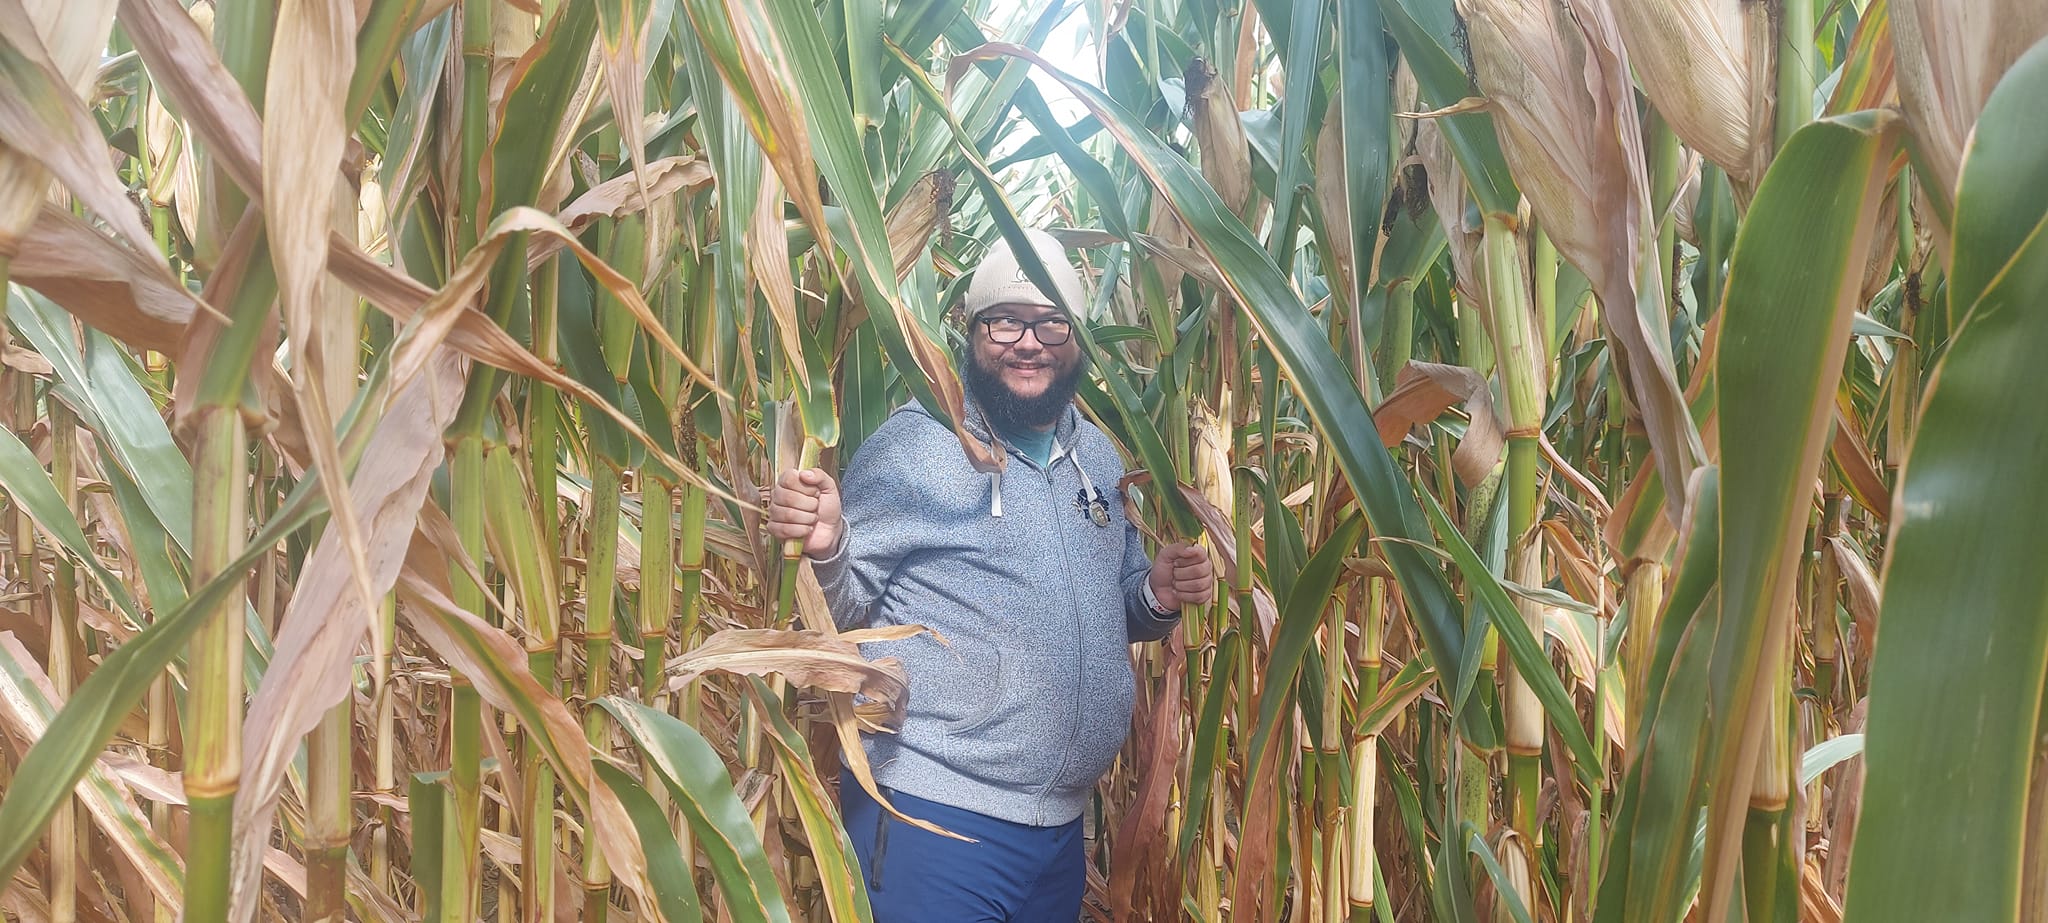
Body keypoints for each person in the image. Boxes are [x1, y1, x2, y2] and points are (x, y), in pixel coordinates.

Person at [767, 228, 1214, 921]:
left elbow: (1109, 607)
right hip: (933, 819)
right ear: (970, 332)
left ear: (1076, 338)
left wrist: (1154, 591)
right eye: (1004, 320)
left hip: (1060, 833)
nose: (1028, 341)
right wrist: (828, 546)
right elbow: (842, 620)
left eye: (1049, 321)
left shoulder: (1096, 456)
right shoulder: (918, 446)